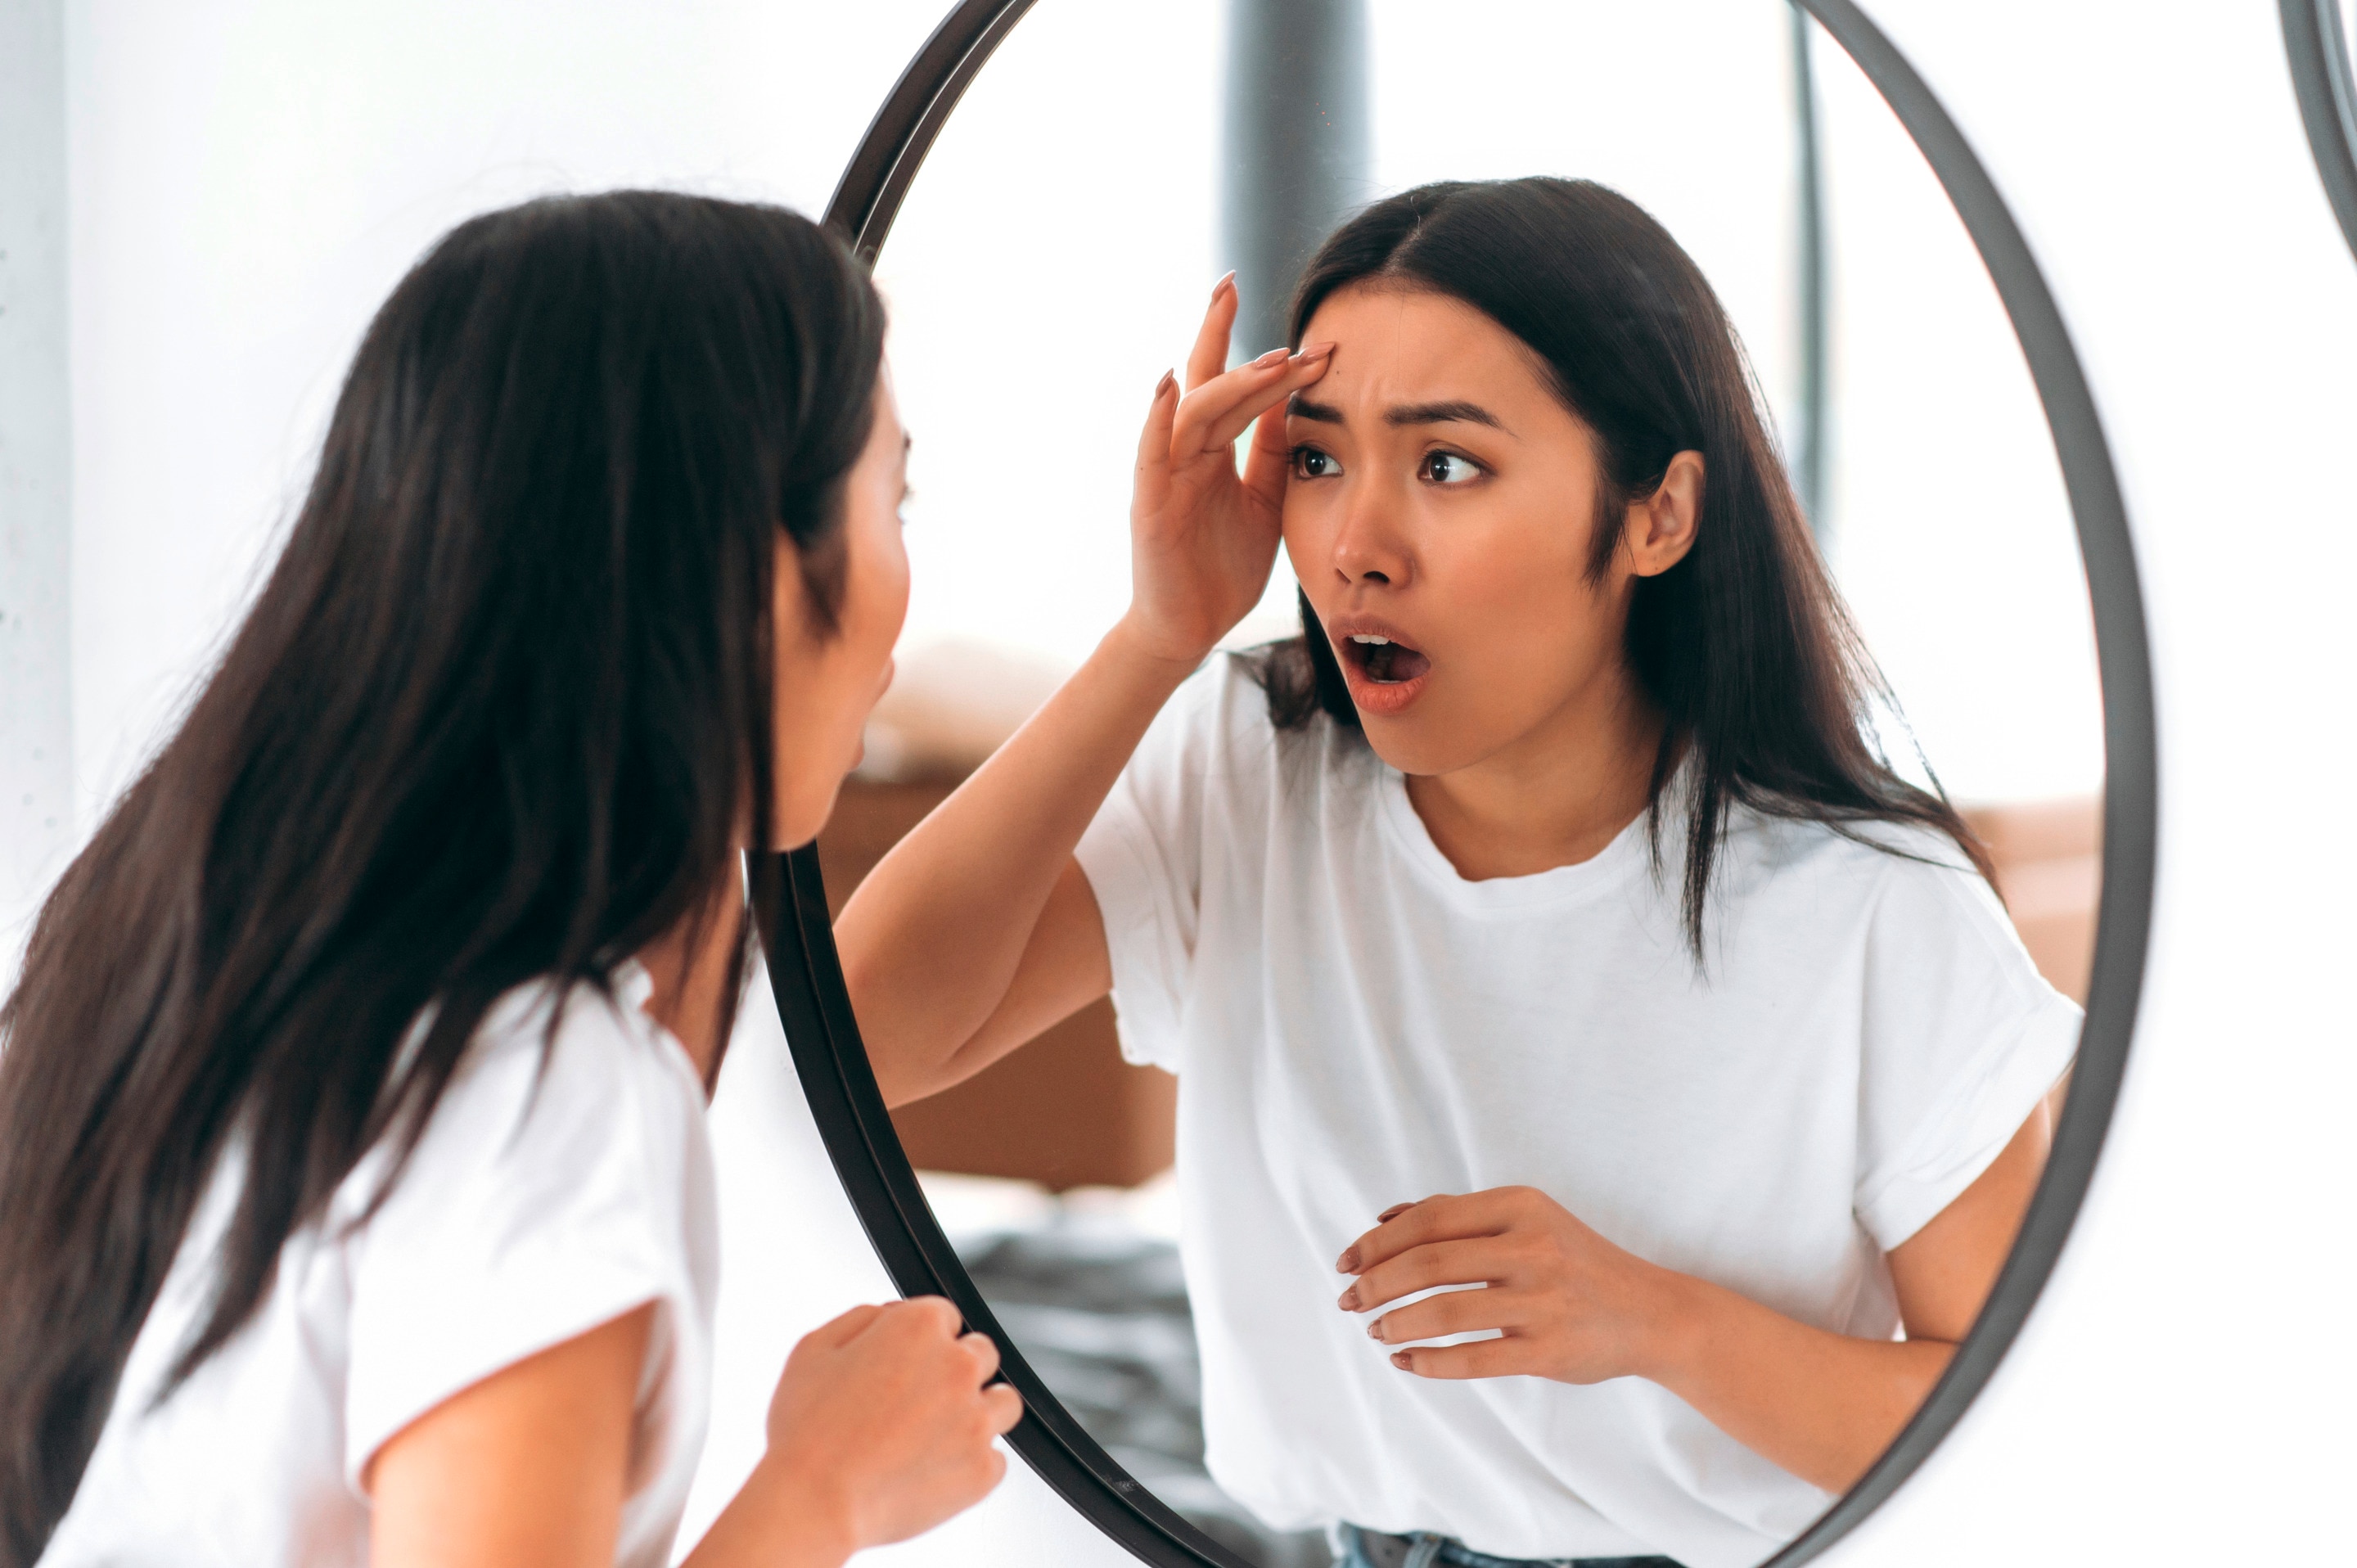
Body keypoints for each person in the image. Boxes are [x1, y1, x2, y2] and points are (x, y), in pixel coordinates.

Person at [833, 178, 2080, 1568]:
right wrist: (1156, 637)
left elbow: (2024, 1418)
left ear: (1658, 515)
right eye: (1316, 460)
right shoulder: (1252, 764)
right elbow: (863, 1040)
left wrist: (1649, 1322)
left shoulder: (1872, 906)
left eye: (1445, 467)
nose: (1357, 546)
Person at [0, 191, 1021, 1568]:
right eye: (891, 497)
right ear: (756, 572)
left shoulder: (267, 981)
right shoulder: (540, 1083)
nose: (907, 585)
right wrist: (820, 1497)